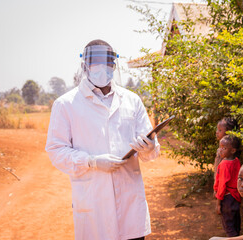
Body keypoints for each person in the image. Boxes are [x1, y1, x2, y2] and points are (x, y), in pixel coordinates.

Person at [45, 39, 160, 240]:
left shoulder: (132, 100)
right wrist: (92, 161)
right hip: (93, 204)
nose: (101, 68)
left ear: (113, 65)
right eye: (94, 62)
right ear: (85, 66)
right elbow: (55, 150)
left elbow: (152, 152)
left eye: (106, 63)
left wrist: (149, 148)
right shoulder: (65, 104)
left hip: (130, 206)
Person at [214, 135, 242, 237]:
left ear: (233, 150)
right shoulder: (236, 160)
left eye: (224, 148)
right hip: (236, 197)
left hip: (227, 199)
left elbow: (222, 186)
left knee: (229, 227)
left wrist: (218, 203)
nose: (220, 150)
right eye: (220, 147)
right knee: (235, 223)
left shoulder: (224, 164)